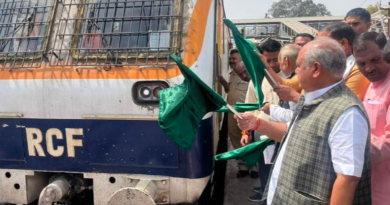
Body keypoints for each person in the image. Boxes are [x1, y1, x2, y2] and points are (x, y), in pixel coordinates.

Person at [238, 38, 371, 205]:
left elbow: (347, 178)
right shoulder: (314, 99)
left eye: (299, 66)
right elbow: (292, 133)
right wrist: (256, 124)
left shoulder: (347, 113)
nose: (296, 71)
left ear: (315, 69)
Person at [243, 39, 286, 203]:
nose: (273, 64)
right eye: (268, 60)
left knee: (279, 165)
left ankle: (273, 194)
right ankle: (264, 191)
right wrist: (246, 131)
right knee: (264, 164)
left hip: (283, 129)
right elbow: (249, 106)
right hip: (261, 129)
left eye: (276, 59)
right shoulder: (256, 79)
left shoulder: (289, 79)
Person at [353, 32, 389, 205]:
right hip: (370, 181)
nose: (369, 68)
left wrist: (354, 154)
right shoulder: (369, 85)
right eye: (362, 63)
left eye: (375, 60)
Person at [264, 44, 301, 123]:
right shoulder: (301, 78)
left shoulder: (300, 80)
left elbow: (297, 117)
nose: (279, 66)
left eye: (278, 61)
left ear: (286, 61)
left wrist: (272, 110)